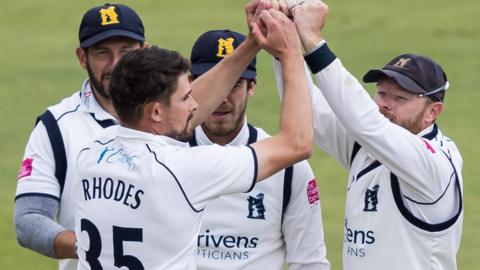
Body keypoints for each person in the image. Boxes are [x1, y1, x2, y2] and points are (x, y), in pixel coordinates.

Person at [14, 1, 267, 269]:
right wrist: (93, 245)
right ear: (82, 58)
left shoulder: (173, 110)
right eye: (102, 53)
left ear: (143, 51)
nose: (115, 63)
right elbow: (29, 221)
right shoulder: (57, 127)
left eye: (126, 50)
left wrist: (254, 42)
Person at [72, 8, 313, 269]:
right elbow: (296, 143)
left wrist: (254, 41)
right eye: (185, 98)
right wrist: (290, 51)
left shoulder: (91, 152)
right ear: (155, 111)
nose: (195, 106)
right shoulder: (182, 170)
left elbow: (167, 117)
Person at [273, 1, 463, 269]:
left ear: (433, 111)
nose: (385, 104)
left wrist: (314, 42)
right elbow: (307, 110)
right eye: (382, 93)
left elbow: (366, 122)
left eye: (400, 97)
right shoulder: (368, 146)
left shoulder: (432, 164)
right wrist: (285, 45)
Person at [189, 29, 330, 270]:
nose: (221, 97)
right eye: (214, 82)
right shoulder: (166, 153)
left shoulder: (289, 167)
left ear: (251, 87)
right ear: (191, 85)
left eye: (234, 84)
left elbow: (309, 262)